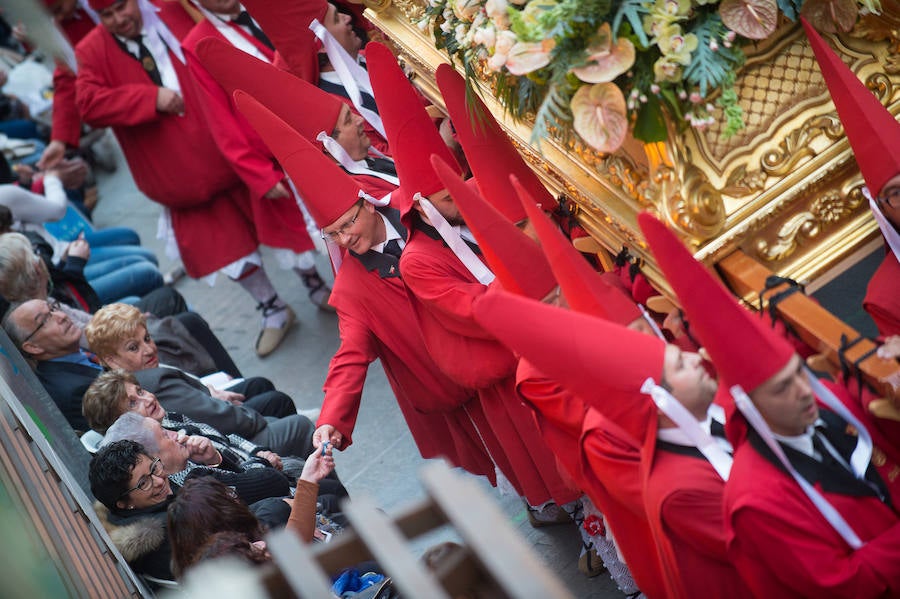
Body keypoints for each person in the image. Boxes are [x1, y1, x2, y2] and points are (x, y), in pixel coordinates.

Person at [366, 42, 584, 527]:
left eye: (458, 183)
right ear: (421, 204)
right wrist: (535, 290)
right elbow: (474, 310)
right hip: (510, 365)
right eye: (446, 195)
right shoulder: (419, 260)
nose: (459, 197)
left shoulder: (471, 199)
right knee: (564, 472)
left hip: (547, 329)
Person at [639, 208, 900, 597]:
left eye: (801, 373)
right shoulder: (756, 501)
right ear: (748, 405)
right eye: (782, 387)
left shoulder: (821, 402)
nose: (802, 390)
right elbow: (843, 584)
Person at [237, 92, 497, 481]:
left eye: (347, 225)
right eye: (332, 234)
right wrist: (330, 419)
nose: (343, 240)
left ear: (368, 204)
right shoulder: (353, 289)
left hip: (501, 331)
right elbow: (350, 356)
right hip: (462, 383)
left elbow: (467, 200)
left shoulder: (414, 206)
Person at [74, 0, 299, 356]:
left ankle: (318, 286)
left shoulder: (173, 9)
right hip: (181, 177)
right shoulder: (91, 49)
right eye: (107, 15)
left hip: (236, 151)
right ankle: (273, 308)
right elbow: (87, 103)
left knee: (286, 222)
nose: (119, 19)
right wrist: (150, 98)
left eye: (122, 7)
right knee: (225, 250)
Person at [178, 0, 334, 312]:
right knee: (303, 227)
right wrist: (257, 173)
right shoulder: (197, 42)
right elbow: (218, 116)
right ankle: (321, 287)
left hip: (323, 116)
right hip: (275, 147)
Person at [84, 303, 319, 457]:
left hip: (214, 429)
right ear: (112, 359)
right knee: (295, 422)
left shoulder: (130, 377)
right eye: (134, 347)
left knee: (260, 388)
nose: (148, 349)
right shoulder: (151, 382)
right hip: (222, 443)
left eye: (147, 338)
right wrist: (253, 417)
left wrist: (212, 393)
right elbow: (223, 419)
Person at [196, 36, 398, 201]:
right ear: (328, 147)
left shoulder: (367, 161)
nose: (360, 120)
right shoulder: (363, 196)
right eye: (347, 120)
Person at [82, 369, 314, 488]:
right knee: (320, 481)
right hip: (259, 476)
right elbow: (235, 481)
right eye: (132, 403)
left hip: (256, 462)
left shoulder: (168, 418)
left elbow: (225, 437)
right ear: (122, 425)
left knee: (314, 471)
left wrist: (257, 452)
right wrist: (261, 462)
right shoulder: (164, 457)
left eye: (140, 391)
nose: (147, 399)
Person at [167, 447, 335, 578]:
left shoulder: (208, 561)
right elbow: (292, 552)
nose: (262, 544)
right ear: (220, 518)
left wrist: (308, 479)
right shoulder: (227, 557)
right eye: (229, 497)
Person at [102, 412, 293, 505]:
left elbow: (227, 439)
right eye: (165, 434)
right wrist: (261, 459)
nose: (175, 434)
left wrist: (215, 459)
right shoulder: (193, 480)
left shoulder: (186, 460)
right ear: (152, 457)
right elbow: (272, 482)